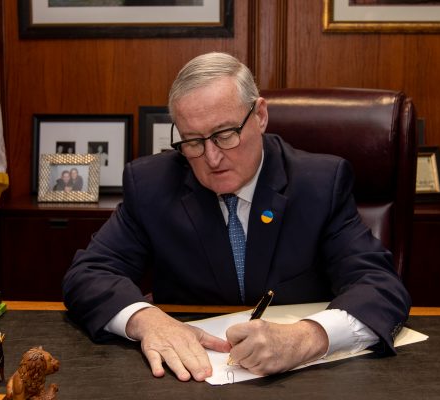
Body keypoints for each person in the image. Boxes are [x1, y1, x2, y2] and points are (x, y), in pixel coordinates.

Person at [63, 52, 410, 382]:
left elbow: (380, 286)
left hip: (306, 381)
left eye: (225, 134)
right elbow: (88, 274)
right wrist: (146, 320)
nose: (212, 157)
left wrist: (307, 338)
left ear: (259, 115)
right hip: (193, 378)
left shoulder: (319, 183)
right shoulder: (152, 185)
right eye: (193, 141)